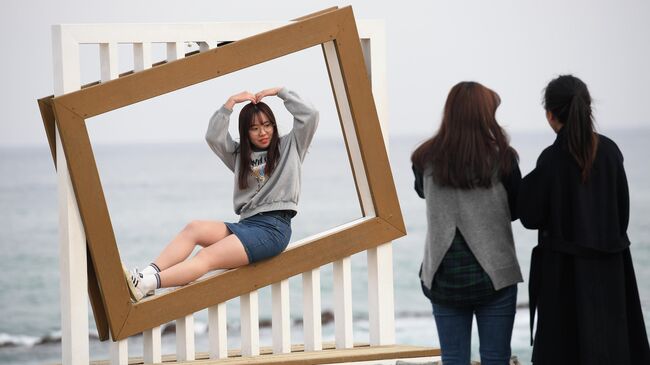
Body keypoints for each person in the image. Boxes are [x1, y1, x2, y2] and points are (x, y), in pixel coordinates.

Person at [124, 87, 319, 302]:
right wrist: (230, 103)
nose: (262, 132)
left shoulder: (291, 146)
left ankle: (147, 285)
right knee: (194, 228)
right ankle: (146, 275)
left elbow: (310, 115)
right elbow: (213, 136)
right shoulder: (239, 156)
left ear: (273, 125)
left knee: (207, 256)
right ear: (245, 132)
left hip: (273, 228)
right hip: (247, 225)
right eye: (254, 128)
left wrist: (280, 92)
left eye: (267, 125)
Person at [519, 74, 650, 364]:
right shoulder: (610, 151)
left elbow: (529, 215)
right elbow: (622, 212)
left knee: (566, 352)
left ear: (550, 115)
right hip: (612, 270)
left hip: (563, 275)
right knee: (612, 349)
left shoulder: (551, 159)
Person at [412, 81, 523, 365]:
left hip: (444, 273)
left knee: (453, 359)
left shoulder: (424, 158)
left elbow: (424, 193)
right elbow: (515, 210)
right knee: (496, 358)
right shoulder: (502, 157)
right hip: (495, 275)